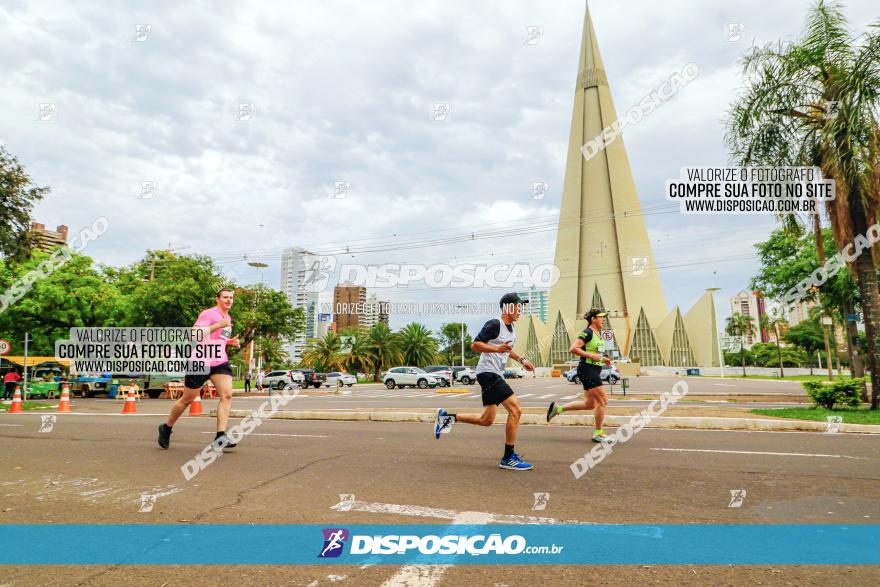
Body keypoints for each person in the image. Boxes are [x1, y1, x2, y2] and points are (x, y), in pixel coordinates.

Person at [433, 292, 535, 470]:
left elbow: (507, 349)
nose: (520, 309)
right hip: (488, 373)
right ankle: (508, 457)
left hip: (494, 373)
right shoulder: (495, 323)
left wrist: (522, 360)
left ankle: (446, 418)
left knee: (486, 420)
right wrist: (496, 348)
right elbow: (475, 344)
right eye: (518, 306)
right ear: (508, 307)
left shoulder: (511, 329)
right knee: (516, 409)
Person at [158, 288, 241, 450]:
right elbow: (195, 335)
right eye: (225, 297)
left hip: (219, 362)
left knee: (227, 395)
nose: (229, 300)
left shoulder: (228, 317)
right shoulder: (208, 314)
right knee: (187, 399)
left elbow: (217, 339)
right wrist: (218, 325)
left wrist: (229, 342)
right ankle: (166, 428)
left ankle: (220, 436)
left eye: (231, 298)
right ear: (217, 299)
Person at [546, 308, 616, 444]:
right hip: (587, 369)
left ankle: (557, 409)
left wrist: (603, 359)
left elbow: (595, 353)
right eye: (601, 317)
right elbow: (573, 348)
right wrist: (592, 356)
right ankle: (599, 433)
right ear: (593, 319)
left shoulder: (597, 334)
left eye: (603, 317)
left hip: (594, 369)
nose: (603, 319)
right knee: (603, 400)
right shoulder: (587, 332)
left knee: (589, 404)